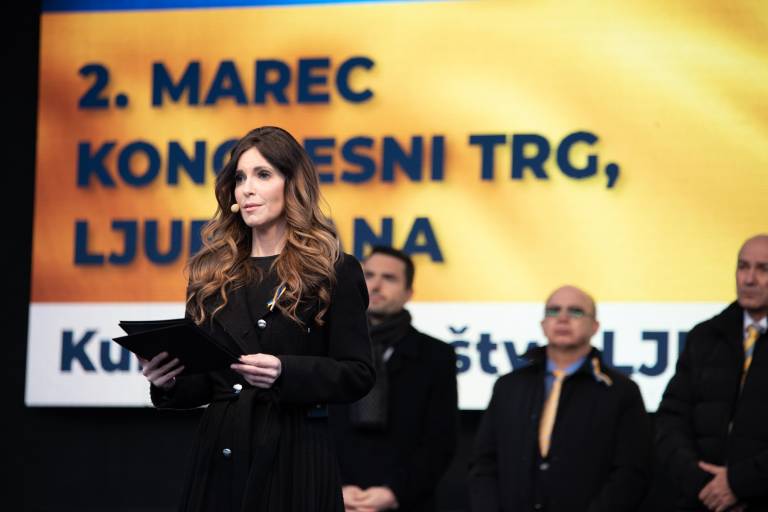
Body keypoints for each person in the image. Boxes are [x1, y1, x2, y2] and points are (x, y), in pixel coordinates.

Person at [138, 126, 375, 512]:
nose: (247, 189)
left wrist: (285, 371)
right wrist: (168, 381)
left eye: (263, 175)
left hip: (295, 454)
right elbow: (205, 384)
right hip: (220, 454)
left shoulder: (333, 270)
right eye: (240, 178)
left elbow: (358, 373)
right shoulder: (210, 273)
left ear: (292, 184)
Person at [469, 285, 652, 512]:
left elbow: (630, 472)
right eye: (554, 311)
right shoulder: (509, 387)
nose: (563, 318)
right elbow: (484, 464)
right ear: (543, 324)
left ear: (595, 326)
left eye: (575, 311)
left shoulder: (620, 392)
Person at [330, 246, 458, 512]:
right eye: (369, 275)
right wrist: (334, 486)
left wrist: (394, 492)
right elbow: (310, 428)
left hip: (404, 501)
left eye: (389, 278)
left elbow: (440, 439)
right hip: (332, 497)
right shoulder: (327, 345)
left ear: (409, 292)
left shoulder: (436, 355)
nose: (376, 285)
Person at [655, 234, 768, 512]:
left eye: (763, 269)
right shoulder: (705, 336)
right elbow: (671, 420)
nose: (749, 279)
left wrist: (739, 484)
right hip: (702, 500)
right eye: (743, 267)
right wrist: (703, 484)